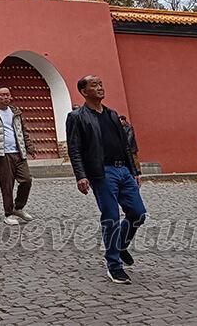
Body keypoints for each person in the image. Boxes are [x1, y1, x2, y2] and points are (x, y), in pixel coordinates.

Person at [67, 75, 146, 285]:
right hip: (102, 172)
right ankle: (114, 265)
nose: (100, 88)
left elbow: (125, 145)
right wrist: (81, 175)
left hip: (123, 170)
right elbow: (74, 148)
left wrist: (134, 170)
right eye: (94, 85)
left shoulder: (112, 114)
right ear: (84, 92)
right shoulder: (77, 117)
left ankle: (120, 246)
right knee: (111, 216)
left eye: (101, 84)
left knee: (138, 213)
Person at [0, 87, 35, 226]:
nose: (5, 97)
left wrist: (29, 147)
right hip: (2, 153)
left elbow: (23, 131)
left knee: (26, 180)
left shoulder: (16, 112)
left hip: (18, 152)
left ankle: (18, 207)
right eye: (2, 95)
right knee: (7, 185)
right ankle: (8, 213)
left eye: (8, 95)